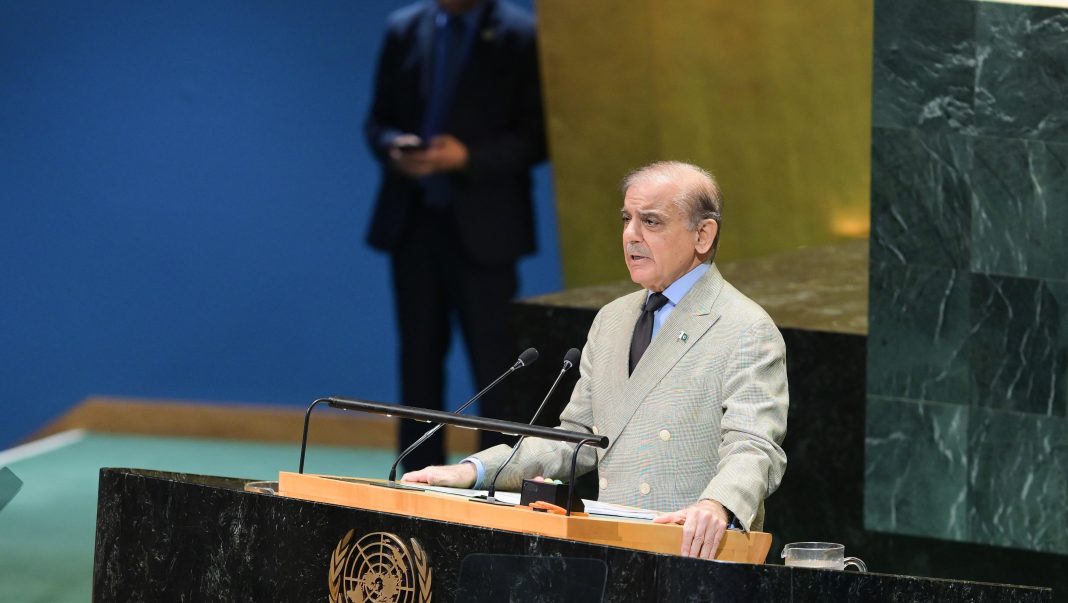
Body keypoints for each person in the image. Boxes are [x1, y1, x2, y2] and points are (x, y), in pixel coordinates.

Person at [404, 161, 789, 560]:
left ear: (703, 235)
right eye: (626, 219)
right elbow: (574, 440)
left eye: (651, 222)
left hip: (694, 556)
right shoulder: (612, 319)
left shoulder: (745, 327)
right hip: (612, 551)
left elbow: (755, 445)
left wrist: (718, 505)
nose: (630, 236)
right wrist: (476, 471)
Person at [364, 0, 547, 471]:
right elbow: (376, 120)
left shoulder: (520, 33)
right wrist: (392, 146)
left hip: (486, 229)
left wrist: (467, 157)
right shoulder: (404, 27)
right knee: (417, 361)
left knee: (496, 368)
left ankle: (493, 478)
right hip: (413, 223)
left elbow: (539, 136)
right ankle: (417, 476)